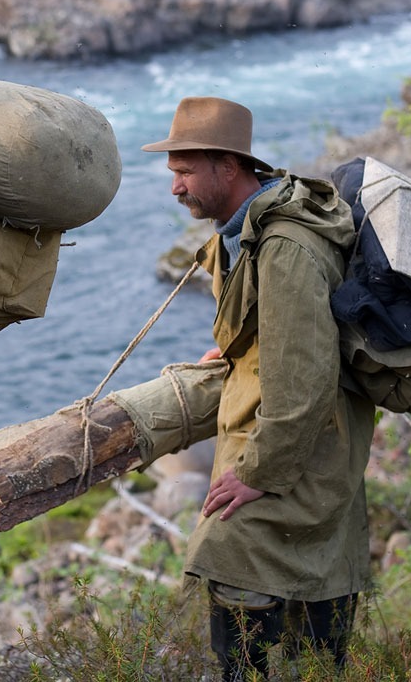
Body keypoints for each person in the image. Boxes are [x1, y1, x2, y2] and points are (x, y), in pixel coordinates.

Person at [142, 96, 375, 680]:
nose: (175, 187)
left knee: (241, 592)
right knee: (307, 610)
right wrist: (239, 344)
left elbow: (305, 381)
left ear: (228, 165)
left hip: (298, 454)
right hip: (301, 447)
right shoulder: (252, 228)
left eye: (184, 172)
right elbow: (294, 329)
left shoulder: (285, 247)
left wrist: (256, 474)